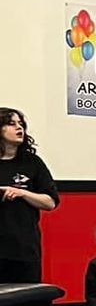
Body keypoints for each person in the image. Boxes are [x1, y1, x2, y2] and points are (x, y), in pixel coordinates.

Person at [0, 108, 59, 285]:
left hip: (24, 249)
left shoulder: (33, 162)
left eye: (21, 124)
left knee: (26, 304)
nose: (19, 128)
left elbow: (50, 202)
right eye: (11, 124)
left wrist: (22, 193)